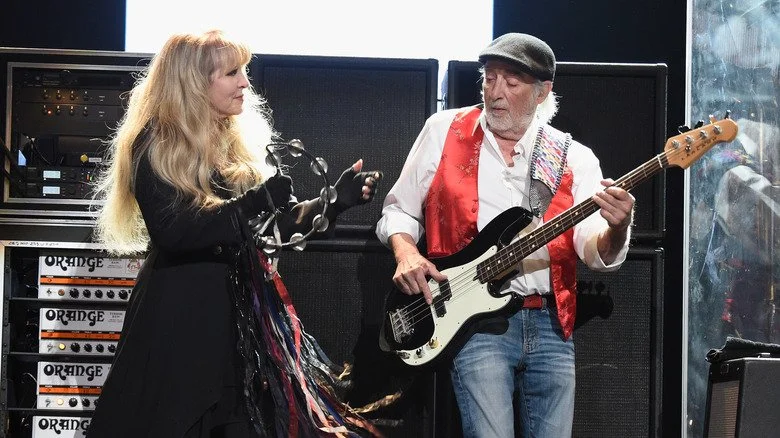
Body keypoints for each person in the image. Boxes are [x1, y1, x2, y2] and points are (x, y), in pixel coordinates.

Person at [87, 30, 383, 438]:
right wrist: (252, 203)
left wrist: (332, 202)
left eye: (243, 71)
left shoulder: (237, 143)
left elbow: (274, 226)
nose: (245, 82)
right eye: (231, 73)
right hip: (182, 327)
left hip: (242, 328)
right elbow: (176, 231)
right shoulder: (155, 142)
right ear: (194, 82)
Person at [375, 33, 635, 437]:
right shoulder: (443, 131)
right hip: (475, 323)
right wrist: (406, 252)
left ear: (542, 92)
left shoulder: (574, 157)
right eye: (489, 78)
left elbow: (595, 252)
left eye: (511, 82)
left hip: (551, 323)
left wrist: (617, 227)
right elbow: (398, 210)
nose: (495, 92)